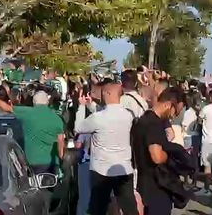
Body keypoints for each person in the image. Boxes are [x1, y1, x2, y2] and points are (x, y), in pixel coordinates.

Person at [74, 83, 138, 215]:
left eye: (103, 93)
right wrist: (91, 106)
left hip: (101, 170)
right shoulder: (129, 115)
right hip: (124, 167)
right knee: (129, 207)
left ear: (108, 94)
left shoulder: (98, 118)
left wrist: (81, 106)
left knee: (98, 208)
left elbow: (78, 127)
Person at [133, 87, 185, 215]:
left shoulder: (142, 119)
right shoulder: (154, 124)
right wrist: (171, 155)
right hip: (157, 185)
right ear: (168, 105)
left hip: (144, 181)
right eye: (174, 112)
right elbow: (156, 156)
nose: (173, 117)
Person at [0, 88, 65, 174]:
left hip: (33, 161)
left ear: (34, 102)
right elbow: (61, 141)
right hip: (52, 162)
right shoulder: (57, 118)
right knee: (51, 184)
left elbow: (6, 107)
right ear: (47, 102)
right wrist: (60, 159)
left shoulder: (28, 113)